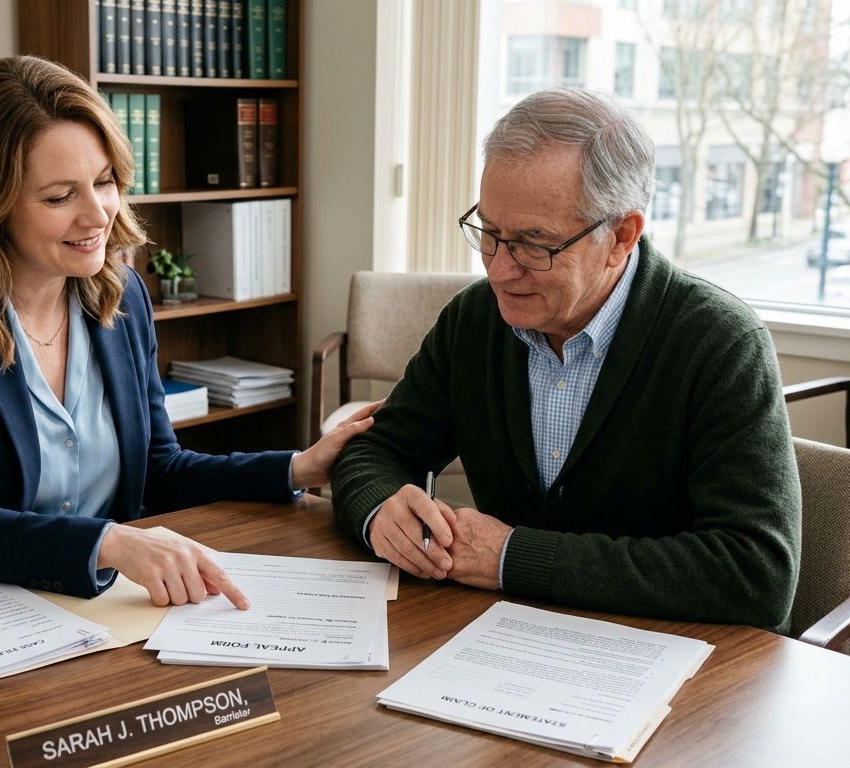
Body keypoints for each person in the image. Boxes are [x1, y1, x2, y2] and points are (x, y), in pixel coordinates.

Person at [0, 55, 378, 608]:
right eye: (60, 197)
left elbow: (158, 468)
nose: (98, 214)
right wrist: (108, 541)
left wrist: (297, 466)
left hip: (71, 610)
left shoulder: (121, 295)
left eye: (105, 182)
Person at [330, 88, 801, 633]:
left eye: (535, 244)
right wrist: (380, 509)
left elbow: (756, 574)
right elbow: (376, 448)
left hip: (674, 659)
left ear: (620, 237)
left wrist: (514, 557)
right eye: (489, 232)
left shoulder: (720, 343)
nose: (500, 271)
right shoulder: (476, 320)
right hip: (507, 639)